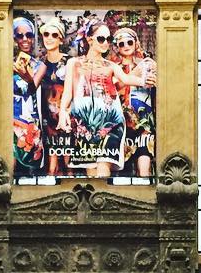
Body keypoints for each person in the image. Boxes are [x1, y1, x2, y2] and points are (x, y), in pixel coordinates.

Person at [58, 20, 152, 177]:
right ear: (89, 39)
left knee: (103, 169)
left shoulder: (111, 65)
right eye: (101, 39)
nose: (106, 43)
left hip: (111, 123)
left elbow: (127, 79)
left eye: (108, 40)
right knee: (91, 172)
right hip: (85, 124)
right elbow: (68, 92)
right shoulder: (74, 63)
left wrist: (144, 80)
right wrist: (62, 111)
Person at [112, 26, 157, 177]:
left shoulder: (148, 64)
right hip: (122, 123)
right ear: (116, 47)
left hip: (144, 121)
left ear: (136, 43)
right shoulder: (113, 67)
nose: (126, 46)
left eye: (129, 42)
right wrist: (137, 72)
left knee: (145, 167)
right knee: (122, 170)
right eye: (121, 44)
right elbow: (115, 87)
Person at [11, 16, 46, 177]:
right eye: (20, 35)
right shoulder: (5, 63)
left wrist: (25, 75)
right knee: (8, 167)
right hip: (10, 119)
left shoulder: (39, 65)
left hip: (29, 122)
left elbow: (32, 88)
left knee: (29, 168)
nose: (25, 39)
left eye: (29, 35)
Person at [37, 17, 71, 176]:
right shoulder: (39, 64)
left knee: (69, 164)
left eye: (54, 35)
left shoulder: (69, 62)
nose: (49, 38)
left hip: (67, 116)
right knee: (51, 168)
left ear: (61, 38)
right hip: (47, 119)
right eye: (46, 34)